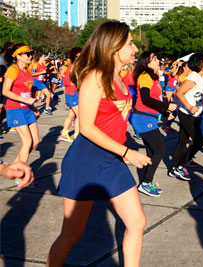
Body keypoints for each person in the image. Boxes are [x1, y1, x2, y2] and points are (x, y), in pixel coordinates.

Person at [47, 21, 151, 266]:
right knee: (72, 233)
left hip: (112, 160)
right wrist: (128, 152)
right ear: (114, 48)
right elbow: (87, 128)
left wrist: (124, 150)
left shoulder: (121, 78)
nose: (135, 49)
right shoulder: (95, 76)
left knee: (137, 223)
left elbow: (114, 121)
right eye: (130, 43)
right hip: (87, 162)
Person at [131, 51, 177, 197]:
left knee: (152, 152)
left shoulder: (154, 77)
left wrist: (164, 113)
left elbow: (153, 100)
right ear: (147, 63)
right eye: (154, 59)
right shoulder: (145, 76)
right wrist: (166, 106)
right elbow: (145, 99)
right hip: (143, 119)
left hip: (149, 118)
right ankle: (145, 183)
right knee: (159, 151)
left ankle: (146, 181)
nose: (158, 60)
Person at [168, 53, 203, 180]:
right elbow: (179, 93)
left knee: (183, 141)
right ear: (199, 63)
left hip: (196, 113)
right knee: (199, 140)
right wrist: (189, 107)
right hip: (186, 113)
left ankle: (174, 168)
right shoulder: (193, 78)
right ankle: (181, 167)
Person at [2, 44, 40, 164]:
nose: (30, 56)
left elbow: (26, 92)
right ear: (18, 56)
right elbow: (5, 91)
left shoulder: (27, 70)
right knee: (27, 142)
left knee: (36, 141)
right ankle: (21, 175)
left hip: (27, 109)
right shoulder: (13, 69)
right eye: (27, 54)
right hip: (15, 109)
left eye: (31, 54)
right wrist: (26, 101)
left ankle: (15, 167)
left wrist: (32, 106)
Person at [59, 47, 82, 142]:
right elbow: (65, 81)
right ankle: (77, 137)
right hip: (72, 93)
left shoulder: (77, 67)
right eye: (78, 56)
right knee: (79, 115)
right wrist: (77, 83)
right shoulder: (72, 67)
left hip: (74, 93)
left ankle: (64, 134)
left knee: (71, 115)